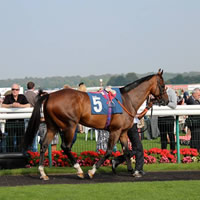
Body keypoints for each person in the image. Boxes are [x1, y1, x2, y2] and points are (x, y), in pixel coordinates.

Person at [111, 101, 153, 178]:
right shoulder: (142, 101)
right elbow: (139, 116)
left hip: (129, 123)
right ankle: (137, 170)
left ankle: (119, 160)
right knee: (138, 148)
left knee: (136, 148)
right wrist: (148, 107)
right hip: (131, 125)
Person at [2, 83, 30, 152]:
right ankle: (10, 155)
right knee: (10, 140)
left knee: (20, 140)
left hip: (20, 122)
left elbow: (28, 105)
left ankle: (19, 154)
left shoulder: (22, 97)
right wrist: (11, 105)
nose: (15, 91)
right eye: (13, 89)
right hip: (10, 122)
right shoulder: (8, 97)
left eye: (16, 89)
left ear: (19, 90)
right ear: (11, 90)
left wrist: (20, 106)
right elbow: (2, 105)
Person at [158, 87, 177, 153]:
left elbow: (174, 105)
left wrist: (166, 102)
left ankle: (173, 151)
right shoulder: (158, 91)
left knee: (171, 135)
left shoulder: (171, 92)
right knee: (162, 136)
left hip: (169, 116)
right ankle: (163, 151)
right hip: (160, 117)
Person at [24, 81, 38, 152]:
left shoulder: (24, 94)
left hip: (24, 116)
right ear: (33, 87)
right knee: (34, 135)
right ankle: (34, 151)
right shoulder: (35, 95)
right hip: (33, 116)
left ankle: (26, 150)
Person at [186, 88, 200, 152]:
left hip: (196, 122)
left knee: (196, 137)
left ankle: (196, 150)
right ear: (194, 94)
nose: (199, 96)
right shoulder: (191, 100)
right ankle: (194, 150)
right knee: (195, 137)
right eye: (199, 95)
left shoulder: (195, 100)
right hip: (194, 122)